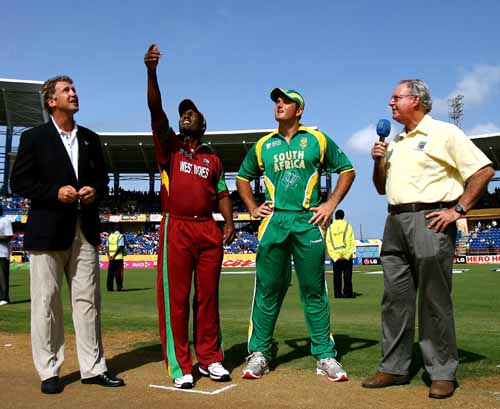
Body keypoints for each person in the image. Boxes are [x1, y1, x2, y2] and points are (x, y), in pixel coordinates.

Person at [362, 79, 494, 399]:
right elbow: (380, 187)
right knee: (394, 301)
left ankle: (442, 371)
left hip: (431, 219)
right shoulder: (395, 140)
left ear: (417, 100)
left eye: (396, 97)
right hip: (394, 220)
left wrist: (458, 210)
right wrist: (379, 159)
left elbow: (484, 170)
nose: (390, 103)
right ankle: (393, 367)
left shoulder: (444, 132)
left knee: (434, 300)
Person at [10, 75, 125, 394]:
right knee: (46, 303)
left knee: (89, 302)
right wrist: (52, 192)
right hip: (47, 230)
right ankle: (49, 371)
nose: (73, 94)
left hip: (84, 229)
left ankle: (94, 367)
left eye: (74, 89)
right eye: (66, 91)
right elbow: (18, 183)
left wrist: (94, 191)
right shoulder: (34, 138)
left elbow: (103, 180)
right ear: (51, 101)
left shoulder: (90, 138)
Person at [236, 88, 355, 381]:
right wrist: (252, 206)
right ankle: (260, 353)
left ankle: (325, 356)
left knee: (314, 291)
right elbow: (242, 177)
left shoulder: (316, 139)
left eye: (286, 101)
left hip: (307, 221)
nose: (279, 104)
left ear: (299, 110)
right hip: (274, 222)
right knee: (267, 289)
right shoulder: (264, 144)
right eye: (277, 101)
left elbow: (348, 170)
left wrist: (330, 204)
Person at [144, 44, 235, 389]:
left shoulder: (212, 158)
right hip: (176, 227)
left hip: (207, 229)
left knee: (208, 297)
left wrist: (229, 223)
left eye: (191, 112)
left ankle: (210, 357)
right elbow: (155, 110)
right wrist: (152, 72)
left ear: (203, 123)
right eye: (183, 112)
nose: (186, 115)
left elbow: (223, 193)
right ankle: (181, 363)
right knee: (176, 298)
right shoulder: (169, 146)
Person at [326, 209, 355, 298]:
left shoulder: (330, 228)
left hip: (336, 257)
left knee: (337, 277)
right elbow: (351, 242)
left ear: (335, 217)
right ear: (343, 216)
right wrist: (346, 255)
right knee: (347, 277)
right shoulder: (348, 226)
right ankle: (347, 293)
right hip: (346, 257)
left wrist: (335, 256)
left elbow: (329, 243)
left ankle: (337, 294)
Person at [0, 204, 13, 306]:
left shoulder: (5, 220)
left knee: (3, 276)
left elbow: (9, 236)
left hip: (2, 253)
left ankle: (5, 298)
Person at [107, 226, 125, 291]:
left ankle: (110, 288)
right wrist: (114, 255)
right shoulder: (120, 236)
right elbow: (120, 246)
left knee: (110, 273)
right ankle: (119, 287)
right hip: (118, 257)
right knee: (118, 273)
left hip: (110, 257)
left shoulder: (110, 236)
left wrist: (109, 255)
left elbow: (107, 246)